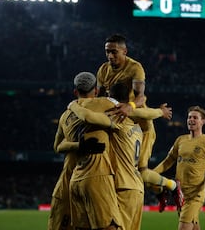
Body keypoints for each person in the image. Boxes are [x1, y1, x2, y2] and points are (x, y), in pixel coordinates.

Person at [68, 82, 173, 230]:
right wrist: (160, 112)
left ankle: (171, 186)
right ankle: (170, 186)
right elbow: (146, 113)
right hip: (137, 186)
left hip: (123, 185)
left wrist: (74, 105)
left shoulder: (118, 120)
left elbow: (89, 117)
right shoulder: (140, 125)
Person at [96, 33, 183, 211]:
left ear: (124, 51)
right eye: (107, 52)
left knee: (140, 172)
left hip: (140, 127)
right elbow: (98, 97)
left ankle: (173, 186)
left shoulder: (135, 68)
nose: (110, 56)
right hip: (120, 127)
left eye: (114, 52)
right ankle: (159, 191)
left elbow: (141, 97)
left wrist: (131, 106)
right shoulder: (103, 70)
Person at [48, 71, 121, 230]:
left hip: (72, 179)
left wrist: (78, 145)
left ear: (75, 92)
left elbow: (57, 146)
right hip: (97, 176)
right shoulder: (104, 104)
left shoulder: (65, 115)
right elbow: (127, 110)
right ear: (96, 90)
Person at [153, 106, 205, 230]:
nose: (191, 120)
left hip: (196, 193)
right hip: (180, 193)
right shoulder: (180, 140)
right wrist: (152, 173)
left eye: (195, 117)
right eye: (189, 117)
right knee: (194, 225)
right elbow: (168, 161)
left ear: (202, 121)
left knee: (184, 226)